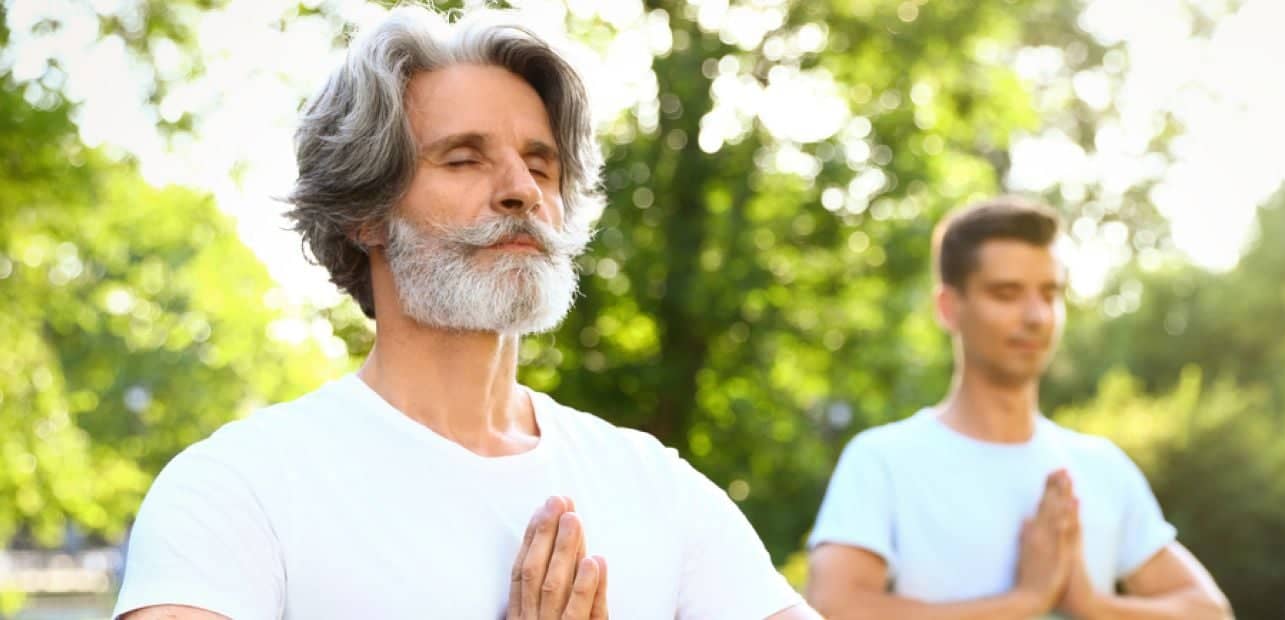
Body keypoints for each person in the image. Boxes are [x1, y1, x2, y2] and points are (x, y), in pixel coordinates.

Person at [112, 6, 817, 619]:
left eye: (541, 166)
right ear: (366, 213)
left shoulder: (653, 484)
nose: (520, 191)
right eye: (462, 161)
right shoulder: (237, 489)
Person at [804, 197, 1231, 619]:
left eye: (1050, 294)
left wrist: (1091, 606)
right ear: (949, 308)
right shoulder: (884, 461)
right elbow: (835, 609)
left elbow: (1210, 613)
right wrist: (1024, 602)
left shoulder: (1102, 467)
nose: (1036, 316)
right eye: (1006, 294)